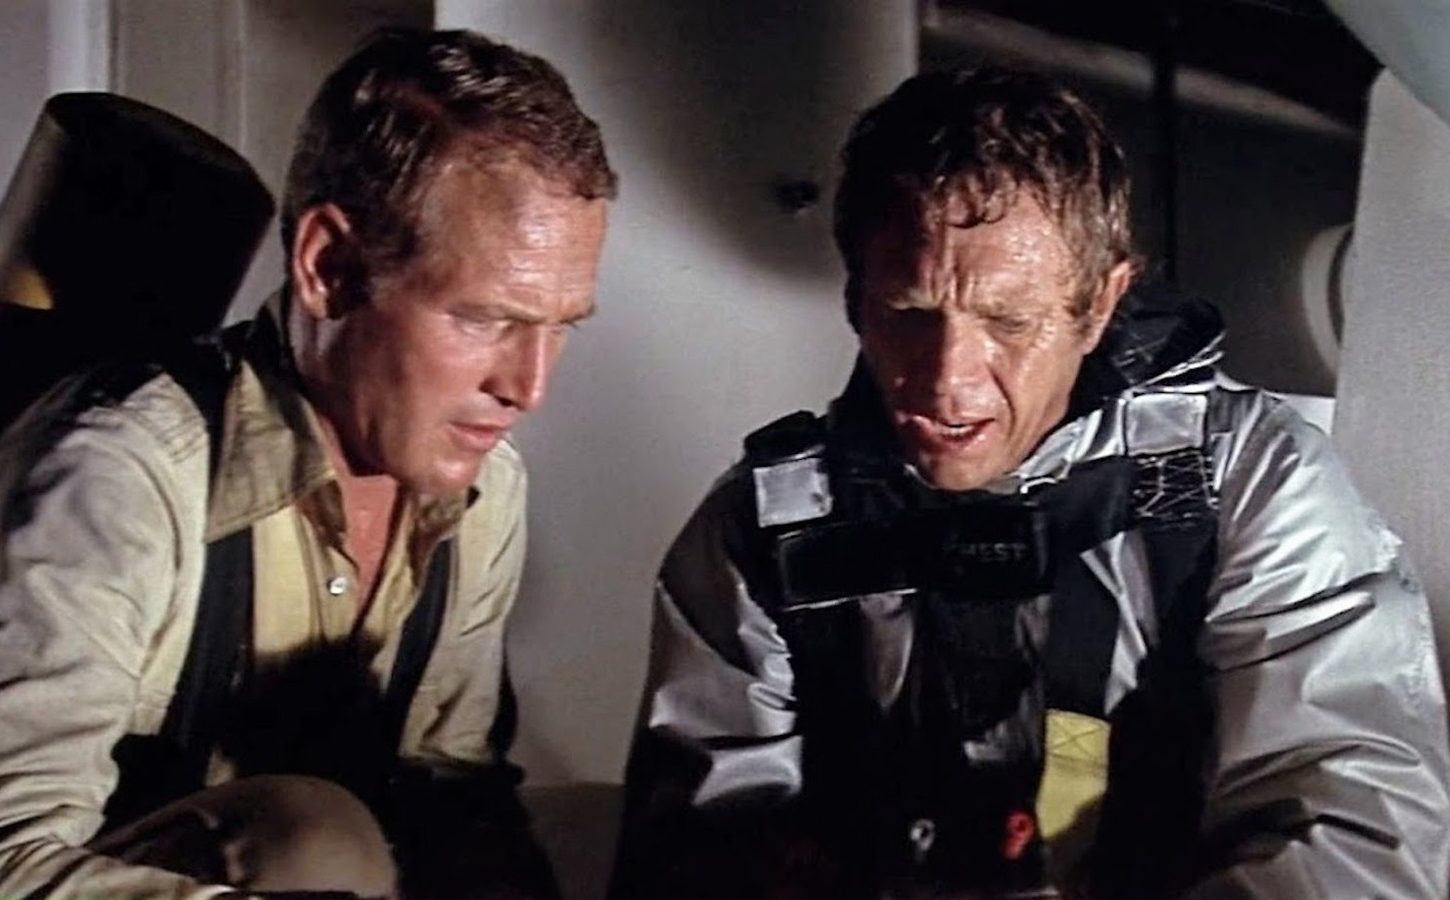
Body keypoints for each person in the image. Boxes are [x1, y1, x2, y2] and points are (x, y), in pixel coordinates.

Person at [610, 67, 1450, 899]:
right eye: (908, 314)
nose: (948, 382)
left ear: (1100, 303)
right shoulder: (767, 529)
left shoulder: (1248, 484)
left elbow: (1350, 824)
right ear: (855, 298)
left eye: (1009, 322)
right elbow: (692, 854)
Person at [0, 27, 614, 900]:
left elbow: (455, 796)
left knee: (614, 829)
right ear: (329, 267)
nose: (529, 388)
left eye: (562, 326)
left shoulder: (487, 490)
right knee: (315, 845)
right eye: (484, 319)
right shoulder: (119, 476)